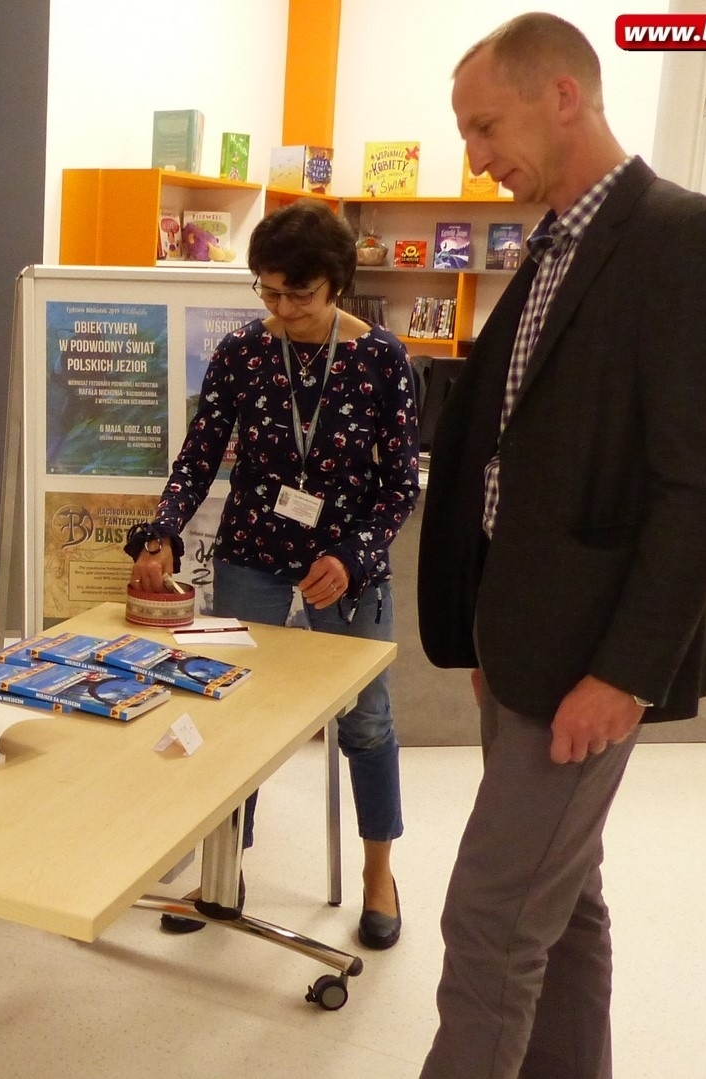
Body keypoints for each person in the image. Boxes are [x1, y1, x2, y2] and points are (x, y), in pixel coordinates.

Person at [417, 15, 706, 1077]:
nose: (475, 156)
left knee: (490, 920)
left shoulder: (687, 239)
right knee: (559, 904)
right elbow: (509, 452)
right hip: (519, 643)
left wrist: (627, 673)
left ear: (563, 95)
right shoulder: (551, 249)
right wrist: (482, 622)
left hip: (589, 657)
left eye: (485, 126)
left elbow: (700, 490)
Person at [126, 200, 419, 949]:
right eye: (269, 291)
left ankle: (379, 874)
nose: (282, 310)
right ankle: (224, 870)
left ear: (337, 284)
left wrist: (352, 556)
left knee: (368, 720)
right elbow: (199, 455)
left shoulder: (382, 360)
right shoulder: (243, 352)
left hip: (345, 569)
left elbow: (399, 486)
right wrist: (163, 532)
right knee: (235, 711)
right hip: (252, 553)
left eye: (300, 295)